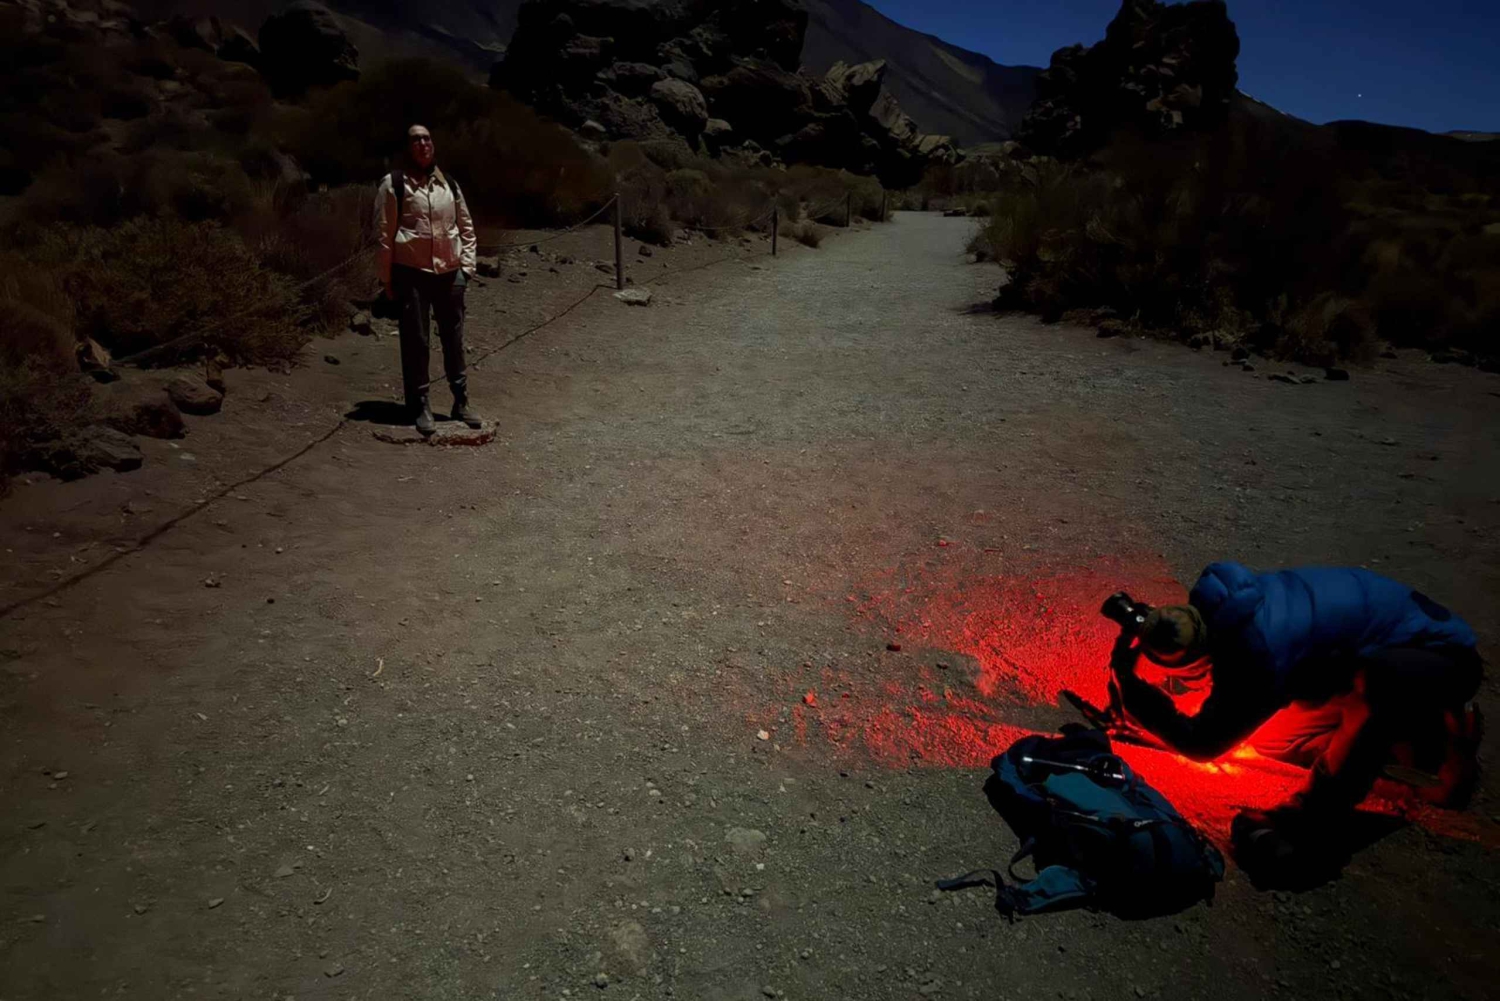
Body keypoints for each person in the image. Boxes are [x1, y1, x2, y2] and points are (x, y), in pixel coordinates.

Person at [1108, 561, 1483, 877]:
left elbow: (1203, 744)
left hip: (1440, 660)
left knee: (1380, 687)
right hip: (1370, 650)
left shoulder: (1262, 651)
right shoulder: (1225, 603)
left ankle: (1311, 820)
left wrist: (1136, 695)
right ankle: (1401, 745)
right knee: (1271, 742)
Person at [376, 124, 480, 435]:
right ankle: (419, 403)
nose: (423, 143)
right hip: (412, 273)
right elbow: (383, 235)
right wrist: (387, 280)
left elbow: (467, 229)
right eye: (415, 139)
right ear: (407, 147)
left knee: (454, 339)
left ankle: (460, 400)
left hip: (450, 273)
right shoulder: (394, 185)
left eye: (427, 138)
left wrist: (467, 269)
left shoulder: (448, 184)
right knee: (416, 341)